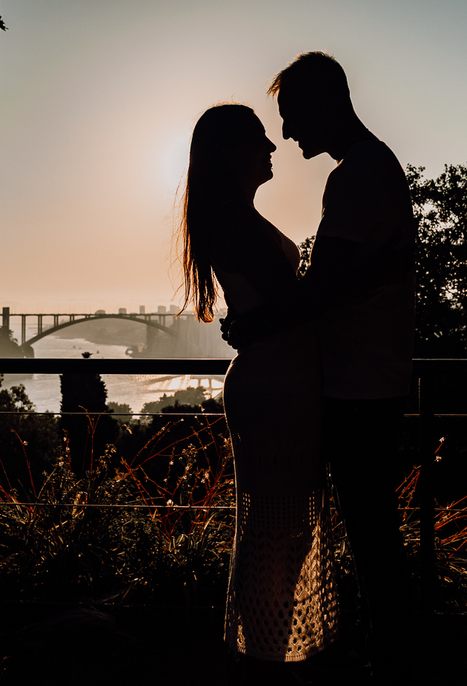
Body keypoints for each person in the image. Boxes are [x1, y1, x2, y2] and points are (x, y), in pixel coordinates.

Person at [225, 52, 417, 680]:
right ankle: (383, 643)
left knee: (368, 522)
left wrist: (255, 325)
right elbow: (347, 278)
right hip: (365, 373)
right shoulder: (371, 167)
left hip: (361, 379)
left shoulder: (357, 175)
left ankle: (390, 651)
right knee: (366, 520)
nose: (285, 133)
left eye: (290, 116)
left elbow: (327, 285)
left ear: (323, 104)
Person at [178, 103, 339, 667]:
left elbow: (277, 305)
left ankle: (263, 652)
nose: (272, 150)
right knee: (277, 531)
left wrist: (253, 323)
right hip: (277, 389)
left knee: (278, 529)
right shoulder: (233, 220)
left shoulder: (233, 217)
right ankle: (263, 654)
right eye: (259, 141)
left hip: (279, 381)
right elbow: (294, 303)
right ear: (229, 153)